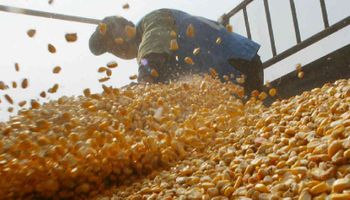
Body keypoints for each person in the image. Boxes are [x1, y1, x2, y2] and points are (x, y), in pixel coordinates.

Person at [89, 9, 263, 96]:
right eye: (111, 49)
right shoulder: (150, 56)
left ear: (127, 24)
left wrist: (143, 84)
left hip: (237, 64)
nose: (117, 49)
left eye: (115, 40)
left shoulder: (153, 21)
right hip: (226, 83)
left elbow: (154, 44)